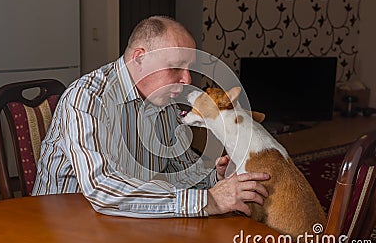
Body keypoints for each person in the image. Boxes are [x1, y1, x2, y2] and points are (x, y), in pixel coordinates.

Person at [32, 15, 269, 218]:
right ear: (139, 58)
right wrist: (207, 200)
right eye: (175, 67)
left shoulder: (165, 102)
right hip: (63, 224)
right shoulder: (86, 99)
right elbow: (101, 189)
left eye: (189, 68)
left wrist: (215, 179)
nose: (187, 80)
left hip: (128, 222)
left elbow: (179, 168)